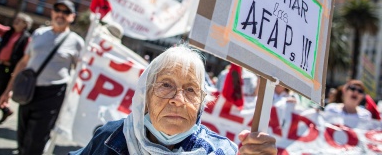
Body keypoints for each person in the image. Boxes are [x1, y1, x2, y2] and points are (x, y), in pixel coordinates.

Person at [70, 45, 276, 155]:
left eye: (190, 90)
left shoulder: (221, 152)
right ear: (146, 96)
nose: (178, 100)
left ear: (201, 103)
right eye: (166, 85)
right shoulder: (112, 136)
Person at [0, 0, 85, 155]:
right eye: (57, 10)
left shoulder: (77, 42)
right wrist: (7, 90)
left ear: (72, 17)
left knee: (36, 140)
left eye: (66, 12)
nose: (61, 14)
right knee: (22, 135)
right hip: (28, 91)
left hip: (52, 95)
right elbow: (23, 63)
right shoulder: (39, 33)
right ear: (52, 12)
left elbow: (81, 71)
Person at [0, 3, 33, 130]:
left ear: (25, 25)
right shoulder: (8, 32)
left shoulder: (26, 39)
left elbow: (26, 58)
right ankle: (5, 109)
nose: (16, 22)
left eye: (20, 21)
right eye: (16, 20)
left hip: (9, 70)